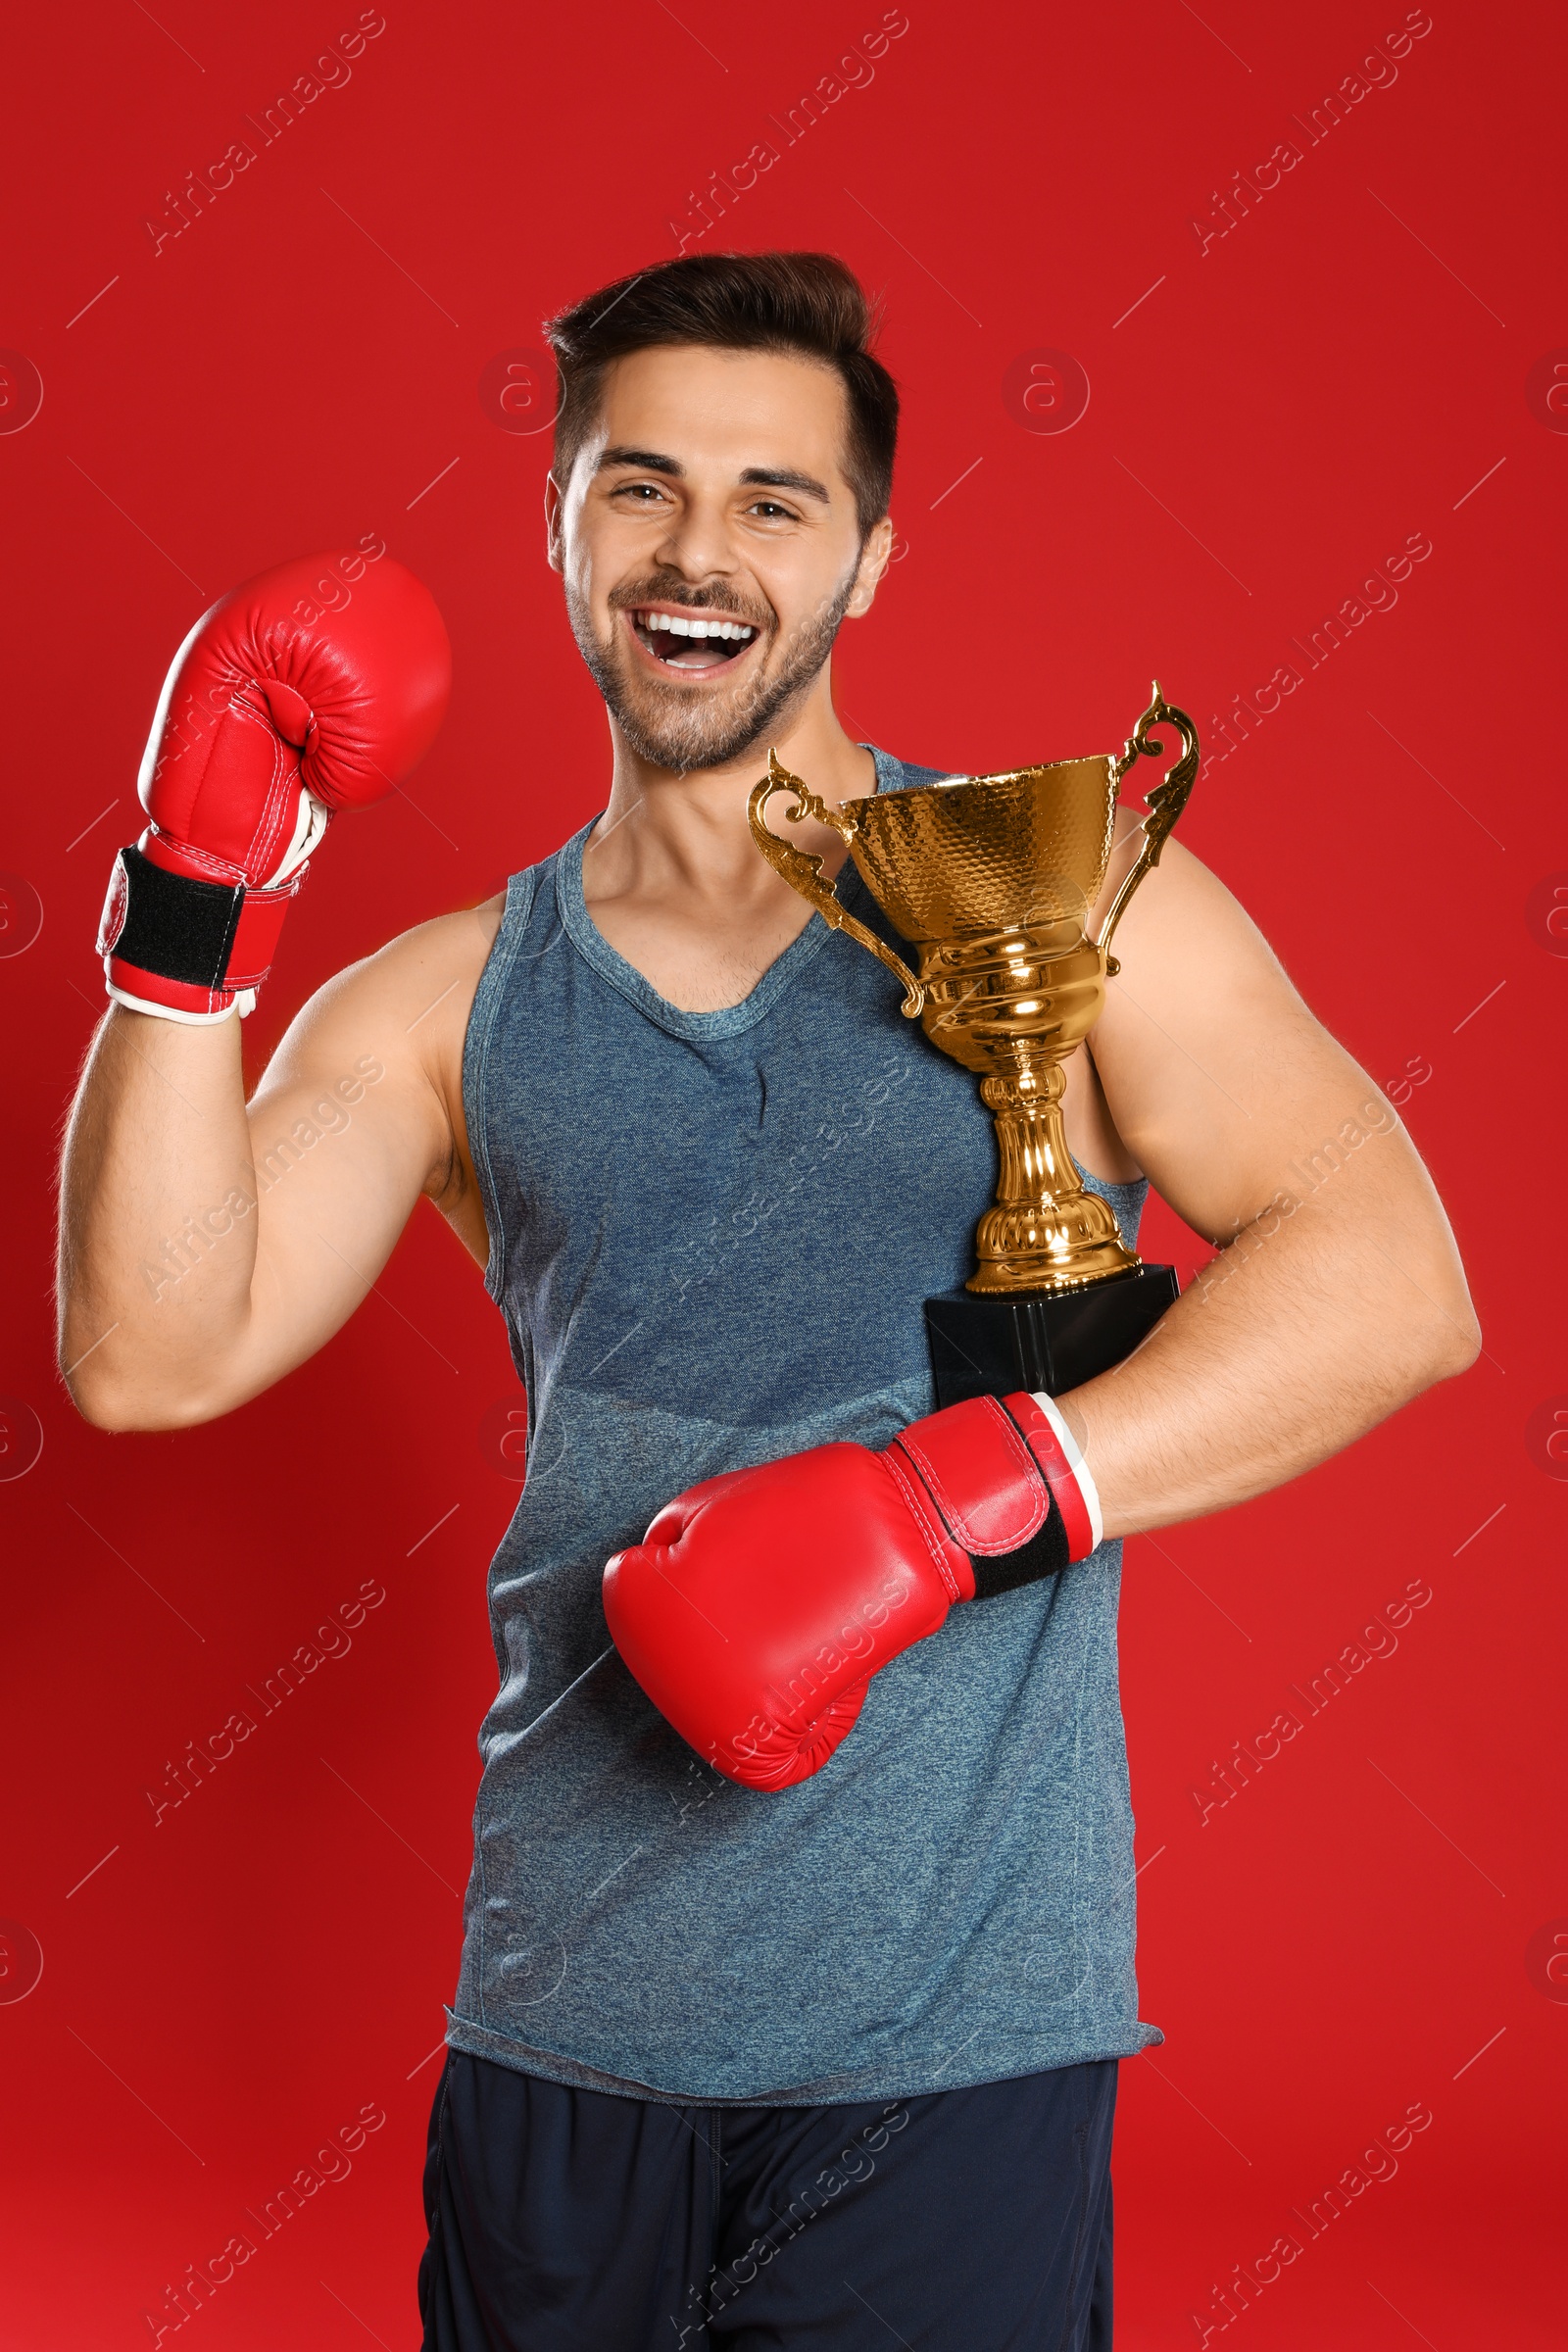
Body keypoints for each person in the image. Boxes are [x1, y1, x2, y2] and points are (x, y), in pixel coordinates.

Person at [57, 251, 1478, 2351]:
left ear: (869, 553)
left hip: (948, 2048)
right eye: (634, 491)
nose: (694, 553)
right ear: (556, 526)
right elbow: (148, 1351)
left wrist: (953, 1507)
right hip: (563, 2036)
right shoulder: (452, 998)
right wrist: (192, 895)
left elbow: (1394, 1281)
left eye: (770, 499)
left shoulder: (1061, 903)